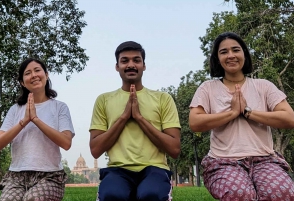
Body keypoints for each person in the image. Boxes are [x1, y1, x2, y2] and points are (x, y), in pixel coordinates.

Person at [189, 32, 294, 201]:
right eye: (224, 52)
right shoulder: (208, 88)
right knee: (239, 194)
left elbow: (289, 118)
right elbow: (195, 122)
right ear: (217, 58)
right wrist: (231, 113)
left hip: (264, 160)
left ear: (244, 54)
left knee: (282, 193)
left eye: (235, 50)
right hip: (223, 161)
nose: (231, 55)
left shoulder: (263, 86)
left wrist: (247, 112)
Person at [89, 41, 181, 201]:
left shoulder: (163, 99)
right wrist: (124, 117)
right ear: (117, 66)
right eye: (125, 61)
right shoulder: (104, 100)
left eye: (136, 60)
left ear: (144, 65)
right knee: (113, 195)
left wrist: (139, 118)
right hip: (117, 170)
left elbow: (174, 149)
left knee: (150, 195)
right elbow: (96, 150)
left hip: (154, 169)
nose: (131, 65)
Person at [0, 58, 75, 201]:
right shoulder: (15, 110)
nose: (34, 75)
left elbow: (66, 142)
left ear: (46, 74)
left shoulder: (59, 107)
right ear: (22, 82)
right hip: (16, 176)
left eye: (37, 70)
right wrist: (24, 122)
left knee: (33, 199)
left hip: (50, 176)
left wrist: (36, 120)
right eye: (28, 73)